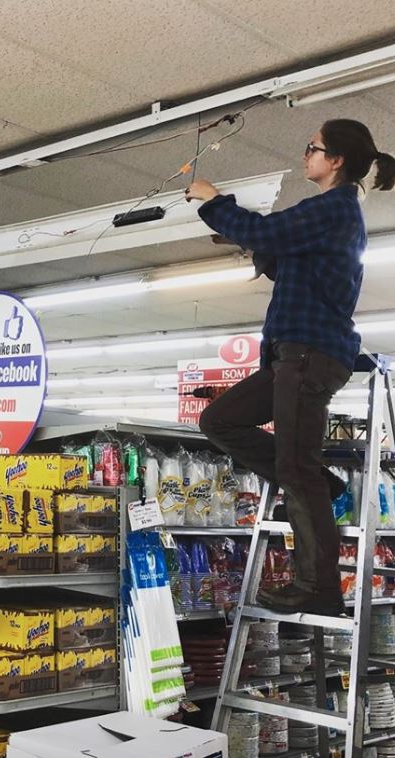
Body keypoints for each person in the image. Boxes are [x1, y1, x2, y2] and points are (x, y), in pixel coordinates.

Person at [187, 119, 395, 615]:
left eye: (313, 148)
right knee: (219, 419)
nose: (306, 154)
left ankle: (318, 587)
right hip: (291, 355)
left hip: (309, 353)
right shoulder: (329, 217)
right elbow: (284, 257)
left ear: (336, 159)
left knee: (293, 467)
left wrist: (213, 201)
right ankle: (317, 482)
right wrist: (254, 245)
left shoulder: (333, 206)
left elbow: (267, 230)